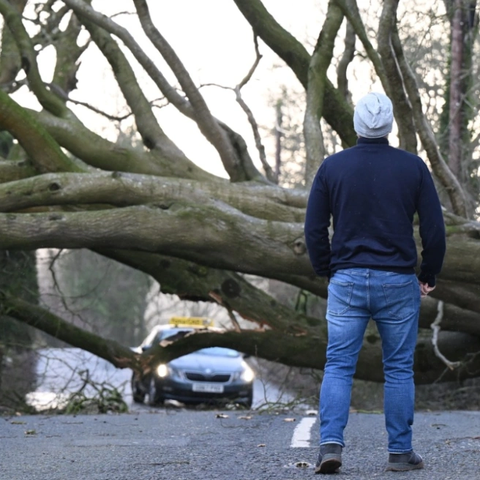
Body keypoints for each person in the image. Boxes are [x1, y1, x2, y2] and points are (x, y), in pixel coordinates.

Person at [304, 92, 446, 474]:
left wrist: (327, 269)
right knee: (399, 368)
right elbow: (434, 230)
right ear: (388, 126)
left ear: (356, 125)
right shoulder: (413, 168)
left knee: (337, 365)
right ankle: (400, 452)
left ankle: (330, 446)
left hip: (347, 278)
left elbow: (314, 228)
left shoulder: (332, 168)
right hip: (398, 282)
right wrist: (428, 273)